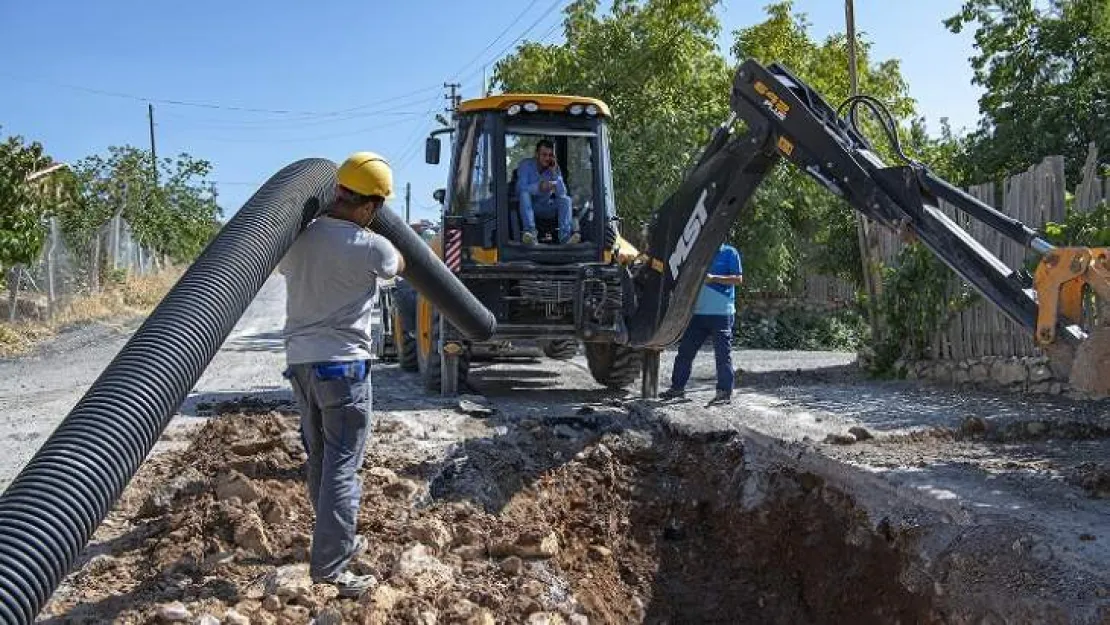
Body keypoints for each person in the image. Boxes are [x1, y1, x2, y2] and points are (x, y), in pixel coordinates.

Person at [278, 151, 404, 597]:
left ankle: (335, 538)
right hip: (344, 368)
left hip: (301, 366)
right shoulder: (372, 246)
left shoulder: (297, 240)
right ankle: (332, 566)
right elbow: (398, 266)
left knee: (321, 458)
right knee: (342, 466)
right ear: (370, 207)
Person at [660, 242, 743, 405]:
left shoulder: (730, 253)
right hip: (697, 313)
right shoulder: (698, 251)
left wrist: (713, 279)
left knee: (722, 354)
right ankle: (677, 389)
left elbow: (738, 279)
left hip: (722, 313)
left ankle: (724, 393)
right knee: (685, 351)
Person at [516, 139, 579, 245]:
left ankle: (565, 238)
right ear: (536, 154)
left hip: (547, 206)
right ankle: (530, 233)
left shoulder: (554, 168)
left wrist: (554, 173)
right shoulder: (526, 165)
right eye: (544, 154)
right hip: (530, 207)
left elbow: (562, 193)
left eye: (550, 155)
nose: (547, 158)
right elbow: (520, 188)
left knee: (566, 200)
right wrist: (539, 187)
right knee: (524, 194)